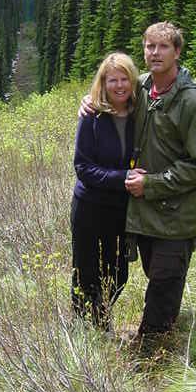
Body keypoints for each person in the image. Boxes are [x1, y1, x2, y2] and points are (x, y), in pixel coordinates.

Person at [80, 22, 196, 350]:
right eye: (149, 46)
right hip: (143, 217)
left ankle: (150, 358)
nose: (155, 53)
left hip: (174, 219)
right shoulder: (140, 89)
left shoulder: (192, 102)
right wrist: (87, 101)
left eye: (163, 47)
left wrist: (152, 184)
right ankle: (151, 345)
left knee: (163, 289)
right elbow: (109, 94)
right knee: (156, 279)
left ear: (177, 52)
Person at [71, 52, 138, 329]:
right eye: (113, 80)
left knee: (118, 272)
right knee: (85, 272)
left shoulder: (140, 113)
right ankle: (86, 329)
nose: (119, 86)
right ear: (103, 82)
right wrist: (122, 178)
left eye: (124, 79)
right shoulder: (92, 115)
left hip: (121, 209)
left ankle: (100, 317)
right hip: (89, 207)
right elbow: (83, 167)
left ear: (132, 81)